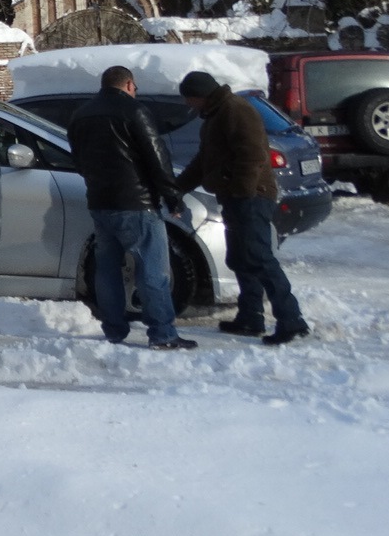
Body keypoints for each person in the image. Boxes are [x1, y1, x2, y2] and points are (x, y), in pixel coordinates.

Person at [65, 66, 198, 350]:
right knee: (153, 270)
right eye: (134, 86)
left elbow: (78, 161)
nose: (135, 91)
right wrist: (172, 197)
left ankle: (114, 330)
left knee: (107, 269)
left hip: (100, 202)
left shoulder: (80, 115)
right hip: (137, 203)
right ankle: (162, 333)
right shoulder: (134, 111)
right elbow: (157, 157)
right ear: (127, 84)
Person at [176, 71, 310, 345]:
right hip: (235, 197)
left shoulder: (234, 110)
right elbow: (205, 161)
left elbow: (252, 155)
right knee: (240, 258)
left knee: (259, 257)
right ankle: (250, 317)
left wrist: (243, 192)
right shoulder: (216, 115)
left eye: (190, 99)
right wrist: (178, 187)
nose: (189, 106)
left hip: (251, 197)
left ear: (200, 95)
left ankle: (291, 320)